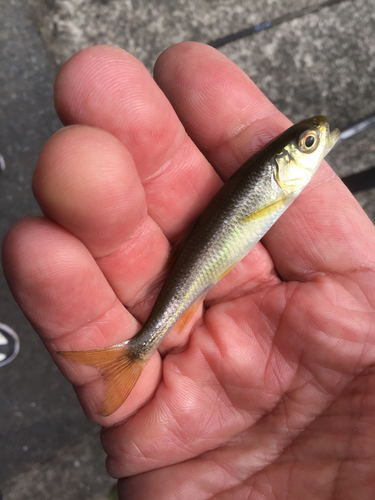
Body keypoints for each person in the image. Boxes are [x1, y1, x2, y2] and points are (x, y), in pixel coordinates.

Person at [2, 42, 375, 499]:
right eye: (309, 145)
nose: (315, 145)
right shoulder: (279, 186)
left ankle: (131, 353)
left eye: (309, 143)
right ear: (285, 166)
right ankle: (135, 351)